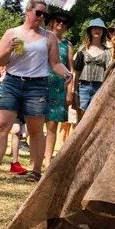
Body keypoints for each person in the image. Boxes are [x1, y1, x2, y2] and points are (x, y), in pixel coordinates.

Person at [0, 0, 72, 182]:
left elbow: (55, 63)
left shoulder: (49, 36)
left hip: (37, 85)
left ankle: (36, 171)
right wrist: (9, 49)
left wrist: (67, 74)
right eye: (38, 13)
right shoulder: (12, 33)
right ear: (28, 11)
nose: (41, 18)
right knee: (1, 126)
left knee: (36, 130)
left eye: (44, 15)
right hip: (12, 82)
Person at [44, 11, 74, 167]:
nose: (61, 23)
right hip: (40, 84)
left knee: (52, 125)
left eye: (64, 22)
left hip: (59, 88)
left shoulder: (67, 45)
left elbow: (71, 69)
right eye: (58, 20)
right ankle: (35, 159)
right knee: (35, 123)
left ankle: (47, 161)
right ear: (52, 21)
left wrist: (70, 91)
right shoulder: (42, 38)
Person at [73, 18, 112, 121]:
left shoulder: (107, 52)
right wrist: (75, 92)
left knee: (95, 119)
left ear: (103, 31)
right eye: (94, 28)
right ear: (90, 30)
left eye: (100, 28)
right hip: (83, 87)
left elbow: (109, 73)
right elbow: (77, 72)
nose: (97, 30)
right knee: (81, 118)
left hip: (99, 88)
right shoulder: (82, 49)